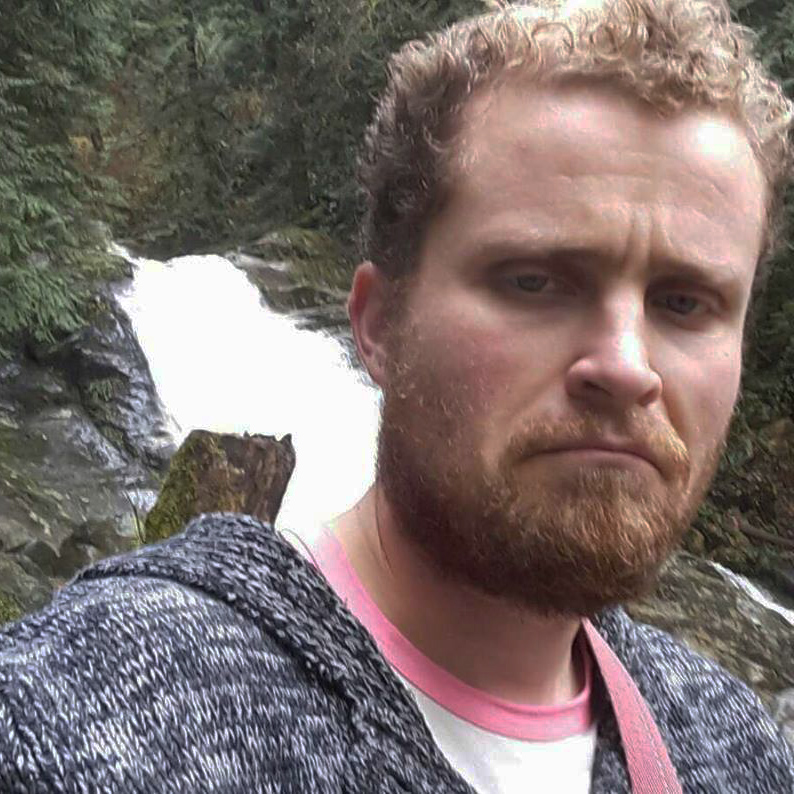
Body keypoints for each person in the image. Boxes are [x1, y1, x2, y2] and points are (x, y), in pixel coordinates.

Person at [2, 0, 794, 791]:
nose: (625, 366)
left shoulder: (733, 744)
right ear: (378, 325)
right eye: (534, 282)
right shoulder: (93, 710)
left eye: (685, 303)